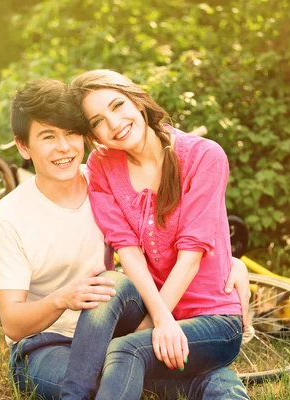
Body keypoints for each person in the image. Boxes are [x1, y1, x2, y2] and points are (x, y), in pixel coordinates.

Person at [0, 78, 250, 400]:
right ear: (24, 147)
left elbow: (184, 237)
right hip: (48, 344)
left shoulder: (101, 175)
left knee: (111, 294)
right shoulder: (9, 217)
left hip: (112, 328)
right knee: (122, 369)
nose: (64, 147)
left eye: (70, 133)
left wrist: (232, 262)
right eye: (48, 137)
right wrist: (62, 299)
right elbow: (12, 324)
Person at [61, 69, 246, 399]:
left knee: (126, 351)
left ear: (138, 100)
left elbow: (192, 256)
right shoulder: (102, 164)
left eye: (118, 105)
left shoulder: (204, 155)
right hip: (156, 305)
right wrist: (159, 319)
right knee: (110, 284)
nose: (114, 123)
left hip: (214, 319)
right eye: (99, 121)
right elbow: (126, 249)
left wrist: (156, 325)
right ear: (93, 135)